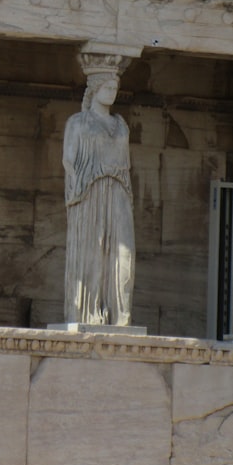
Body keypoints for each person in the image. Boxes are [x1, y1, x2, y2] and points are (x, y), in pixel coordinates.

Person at [63, 71, 135, 326]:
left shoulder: (121, 124)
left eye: (115, 87)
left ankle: (119, 314)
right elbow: (68, 162)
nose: (112, 91)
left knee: (123, 256)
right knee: (92, 252)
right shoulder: (78, 122)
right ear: (94, 88)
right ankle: (87, 312)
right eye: (107, 86)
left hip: (119, 192)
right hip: (89, 192)